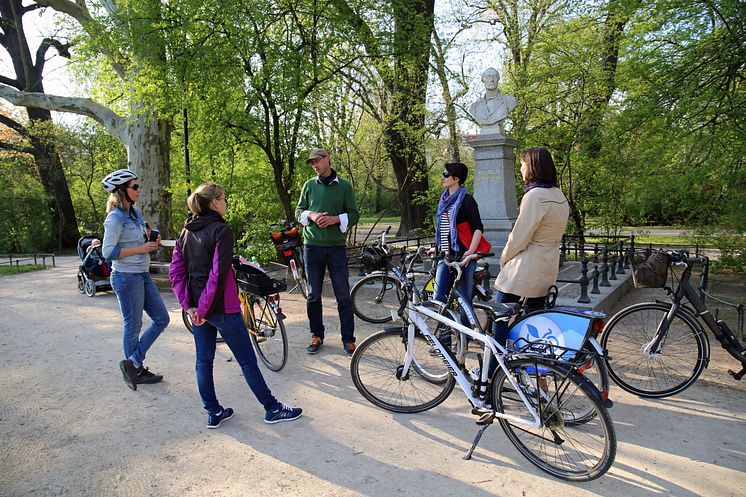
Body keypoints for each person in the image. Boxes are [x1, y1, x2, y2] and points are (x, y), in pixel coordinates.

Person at [169, 183, 302, 428]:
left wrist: (190, 307)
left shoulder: (185, 231)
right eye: (224, 198)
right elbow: (218, 275)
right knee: (248, 361)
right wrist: (203, 308)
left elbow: (176, 272)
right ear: (214, 202)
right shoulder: (221, 230)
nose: (226, 202)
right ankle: (272, 408)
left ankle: (214, 412)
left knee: (203, 361)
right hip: (220, 307)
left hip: (199, 309)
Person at [493, 147, 570, 345]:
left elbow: (519, 237)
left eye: (522, 164)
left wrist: (504, 259)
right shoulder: (559, 195)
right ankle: (529, 365)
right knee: (534, 323)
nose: (520, 169)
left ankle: (494, 370)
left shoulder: (534, 196)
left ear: (532, 167)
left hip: (524, 269)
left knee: (499, 319)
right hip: (547, 267)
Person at [101, 168, 169, 391]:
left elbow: (143, 234)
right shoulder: (115, 218)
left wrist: (152, 236)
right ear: (122, 191)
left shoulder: (135, 213)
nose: (139, 190)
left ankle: (132, 362)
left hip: (141, 273)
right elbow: (108, 252)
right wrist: (141, 248)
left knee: (161, 318)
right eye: (135, 187)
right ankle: (136, 370)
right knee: (133, 325)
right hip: (125, 276)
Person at [295, 148, 360, 356]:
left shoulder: (345, 186)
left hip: (336, 248)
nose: (315, 165)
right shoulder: (309, 185)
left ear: (327, 159)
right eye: (312, 163)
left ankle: (349, 340)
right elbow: (299, 211)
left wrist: (334, 219)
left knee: (343, 295)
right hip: (312, 247)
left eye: (317, 161)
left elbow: (354, 214)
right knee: (313, 295)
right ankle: (317, 335)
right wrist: (312, 216)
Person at [433, 162, 490, 329]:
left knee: (464, 299)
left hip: (464, 257)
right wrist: (437, 248)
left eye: (445, 174)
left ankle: (465, 336)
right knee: (439, 298)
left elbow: (478, 228)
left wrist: (470, 252)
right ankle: (444, 339)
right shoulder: (444, 200)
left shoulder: (467, 201)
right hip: (446, 256)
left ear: (456, 178)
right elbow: (443, 230)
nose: (442, 178)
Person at [468, 67, 518, 134]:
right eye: (488, 77)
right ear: (483, 79)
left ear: (498, 79)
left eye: (494, 77)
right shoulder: (475, 107)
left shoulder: (510, 101)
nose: (491, 80)